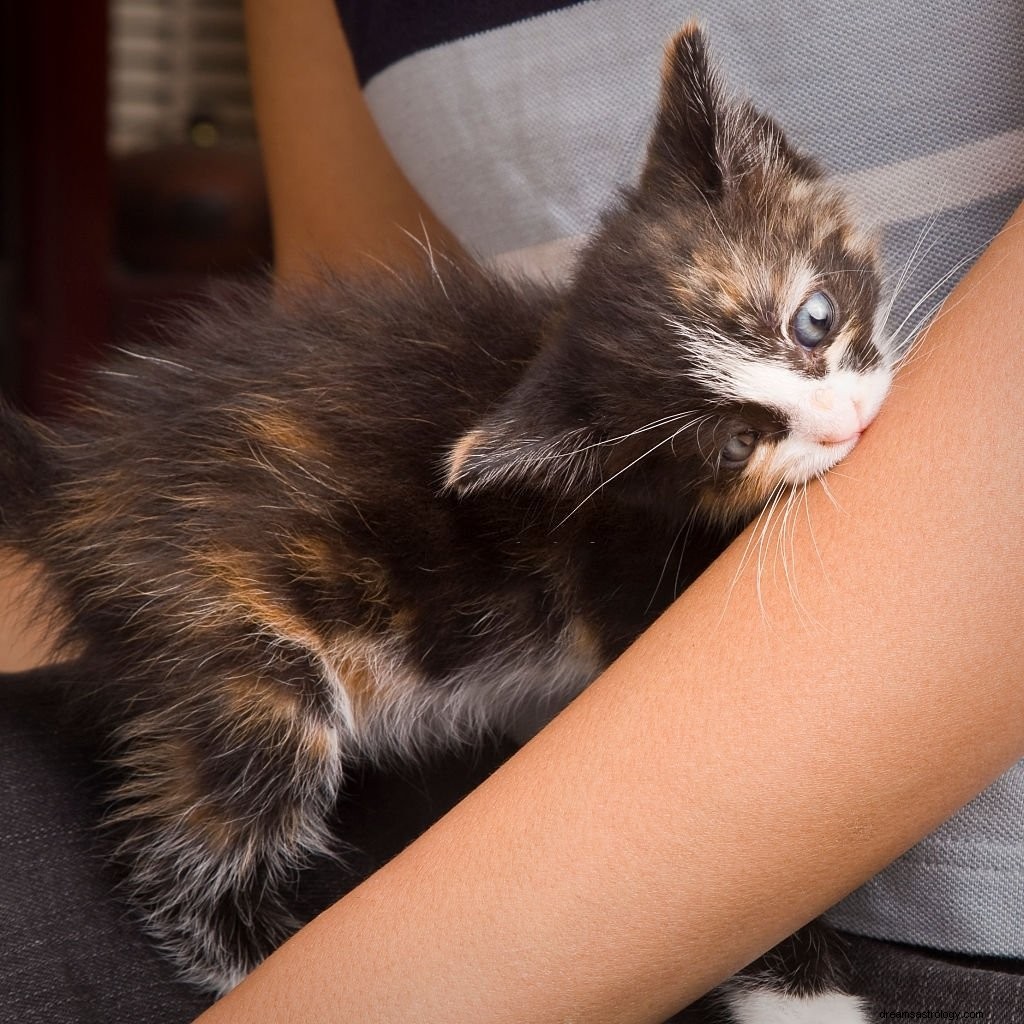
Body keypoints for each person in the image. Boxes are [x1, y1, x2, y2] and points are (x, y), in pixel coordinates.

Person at [1, 1, 1022, 1021]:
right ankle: (211, 914)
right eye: (735, 439)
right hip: (487, 778)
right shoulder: (616, 468)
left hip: (944, 902)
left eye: (811, 326)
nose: (838, 411)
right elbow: (342, 279)